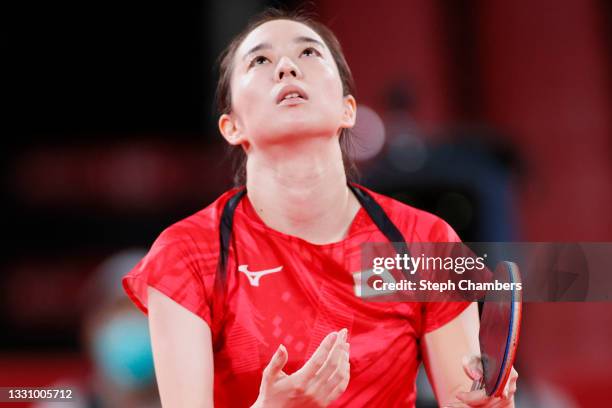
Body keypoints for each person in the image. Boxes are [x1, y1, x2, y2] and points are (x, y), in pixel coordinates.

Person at [122, 8, 518, 407]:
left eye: (309, 53)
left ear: (348, 109)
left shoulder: (425, 241)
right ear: (232, 127)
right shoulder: (187, 255)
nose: (287, 68)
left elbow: (463, 399)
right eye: (260, 60)